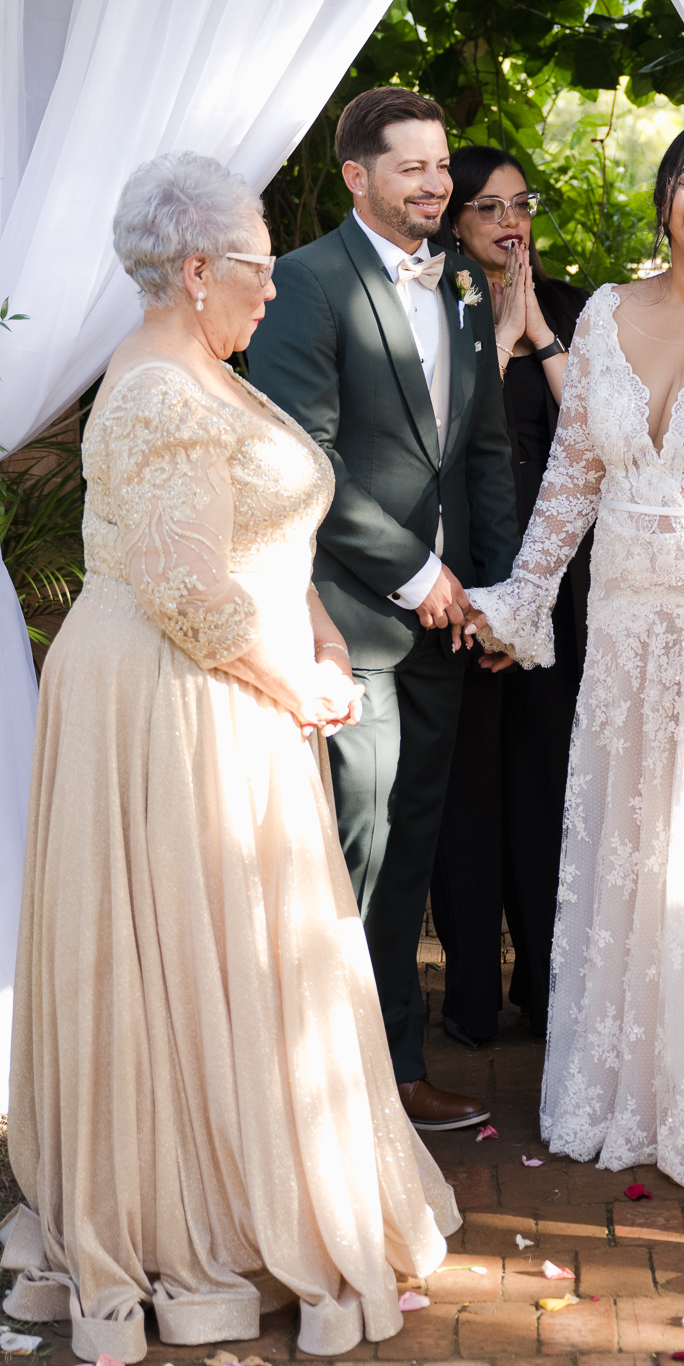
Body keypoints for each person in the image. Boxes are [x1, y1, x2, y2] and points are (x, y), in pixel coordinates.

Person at [3, 154, 460, 1366]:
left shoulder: (209, 364)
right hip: (173, 697)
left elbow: (256, 526)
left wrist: (309, 619)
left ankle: (257, 1166)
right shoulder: (154, 390)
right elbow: (184, 585)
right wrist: (291, 675)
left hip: (230, 680)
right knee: (183, 950)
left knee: (239, 947)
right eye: (258, 265)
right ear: (198, 270)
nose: (273, 287)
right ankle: (187, 1204)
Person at [465, 124, 684, 1197]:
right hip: (619, 627)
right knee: (633, 840)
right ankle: (631, 1089)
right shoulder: (602, 310)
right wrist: (521, 595)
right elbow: (574, 471)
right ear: (663, 200)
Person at [248, 88, 519, 1133]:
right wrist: (415, 574)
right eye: (412, 167)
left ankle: (395, 1066)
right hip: (347, 619)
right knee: (354, 845)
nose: (437, 183)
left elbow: (483, 450)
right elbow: (299, 459)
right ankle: (326, 1080)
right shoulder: (306, 286)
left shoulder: (459, 278)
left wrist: (491, 597)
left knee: (412, 844)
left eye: (442, 165)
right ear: (358, 177)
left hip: (450, 625)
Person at [427, 145, 590, 1049]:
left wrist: (542, 337)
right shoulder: (431, 305)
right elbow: (440, 439)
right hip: (460, 587)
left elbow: (604, 441)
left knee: (549, 788)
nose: (509, 221)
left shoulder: (571, 306)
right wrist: (494, 342)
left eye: (519, 203)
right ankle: (472, 1003)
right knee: (468, 799)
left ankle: (548, 984)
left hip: (559, 589)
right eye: (487, 207)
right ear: (455, 220)